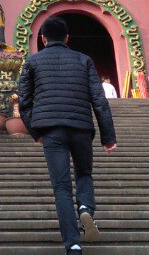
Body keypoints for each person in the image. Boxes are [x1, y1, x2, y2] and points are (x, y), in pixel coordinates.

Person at [17, 16, 117, 255]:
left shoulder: (33, 61)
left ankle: (72, 244)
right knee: (84, 173)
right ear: (67, 37)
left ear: (43, 38)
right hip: (81, 127)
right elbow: (99, 100)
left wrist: (35, 130)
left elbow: (24, 100)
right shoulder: (84, 60)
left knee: (61, 187)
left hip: (52, 130)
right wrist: (108, 137)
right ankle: (85, 207)